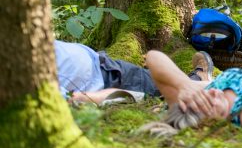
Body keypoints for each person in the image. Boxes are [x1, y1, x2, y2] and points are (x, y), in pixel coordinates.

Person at [54, 39, 214, 104]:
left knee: (153, 72)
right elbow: (77, 99)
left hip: (100, 64)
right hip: (107, 78)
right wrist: (120, 94)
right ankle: (199, 81)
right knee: (161, 86)